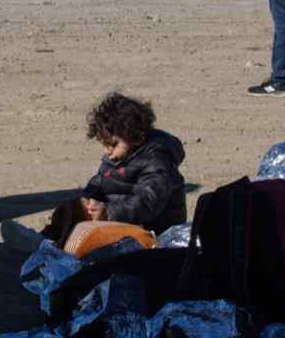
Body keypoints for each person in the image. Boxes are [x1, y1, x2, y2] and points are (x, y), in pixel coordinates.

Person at [33, 92, 187, 250]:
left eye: (113, 144)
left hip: (153, 231)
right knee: (71, 208)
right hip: (117, 218)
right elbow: (101, 180)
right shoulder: (119, 154)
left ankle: (62, 249)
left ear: (137, 137)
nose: (107, 150)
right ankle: (45, 239)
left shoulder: (157, 160)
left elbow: (148, 202)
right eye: (104, 144)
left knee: (90, 239)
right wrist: (91, 196)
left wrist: (110, 213)